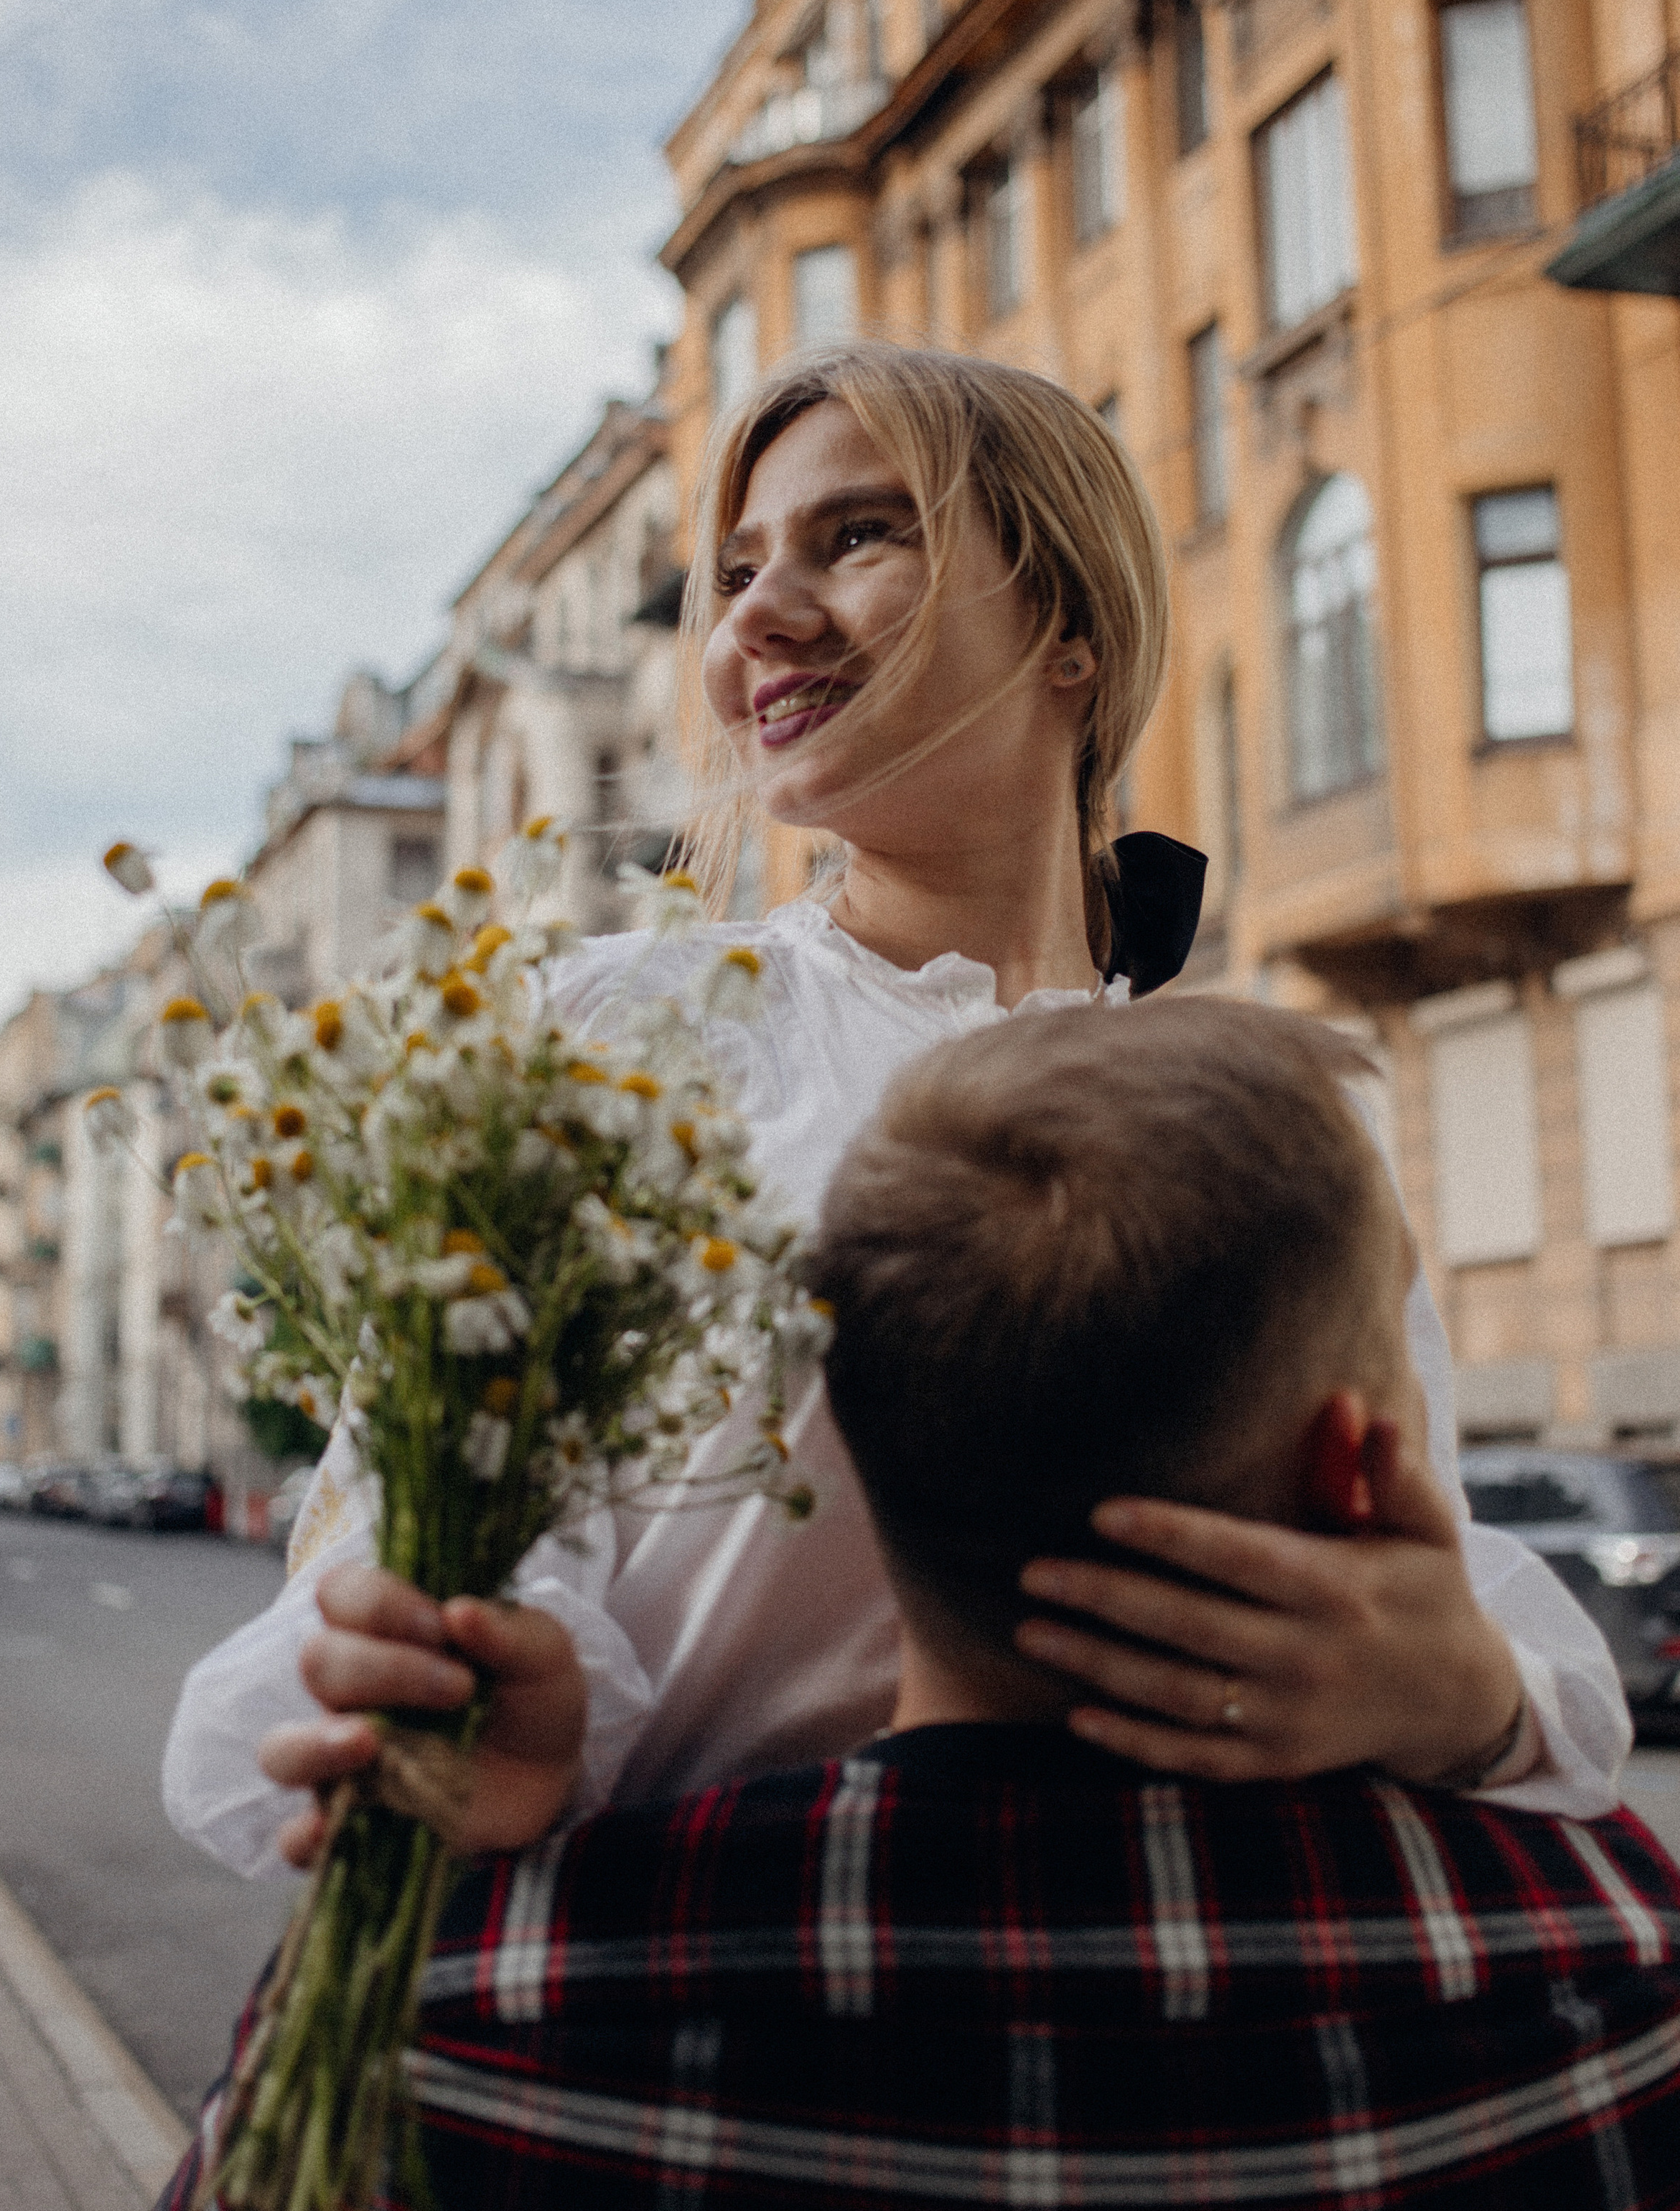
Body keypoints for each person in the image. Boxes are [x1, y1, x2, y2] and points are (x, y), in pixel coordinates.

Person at [162, 345, 1628, 1885]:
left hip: (1172, 1986)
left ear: (1067, 627)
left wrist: (1462, 1698)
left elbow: (1414, 1573)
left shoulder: (1268, 1123)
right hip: (685, 1971)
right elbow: (404, 1528)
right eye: (736, 572)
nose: (754, 618)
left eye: (857, 535)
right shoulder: (611, 1035)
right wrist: (493, 1700)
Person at [158, 1000, 1680, 2211]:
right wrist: (1488, 1720)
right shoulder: (1611, 1964)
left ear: (858, 1462)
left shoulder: (457, 2015)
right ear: (1361, 1463)